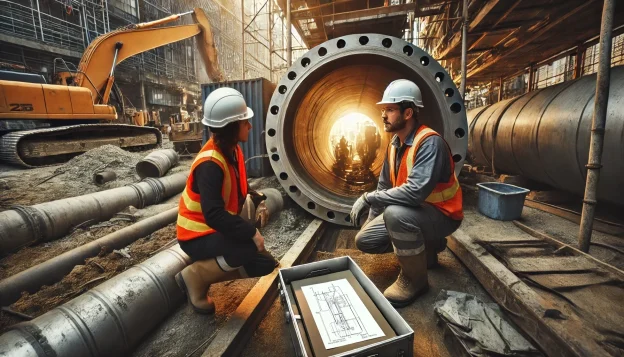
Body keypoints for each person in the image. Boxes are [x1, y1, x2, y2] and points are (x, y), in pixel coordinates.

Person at [349, 79, 463, 307]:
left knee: (396, 215)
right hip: (417, 212)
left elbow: (413, 194)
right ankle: (425, 250)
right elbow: (383, 186)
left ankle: (415, 280)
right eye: (383, 110)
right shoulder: (394, 145)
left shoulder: (429, 143)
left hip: (442, 215)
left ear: (408, 112)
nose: (383, 115)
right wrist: (370, 222)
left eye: (389, 110)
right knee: (365, 240)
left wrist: (367, 197)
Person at [175, 87, 277, 314]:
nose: (249, 126)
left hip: (214, 228)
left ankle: (213, 268)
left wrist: (257, 199)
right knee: (248, 246)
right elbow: (213, 215)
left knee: (265, 264)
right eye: (244, 122)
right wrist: (251, 233)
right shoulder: (210, 164)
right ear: (232, 127)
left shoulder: (232, 150)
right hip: (196, 235)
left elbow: (238, 187)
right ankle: (196, 277)